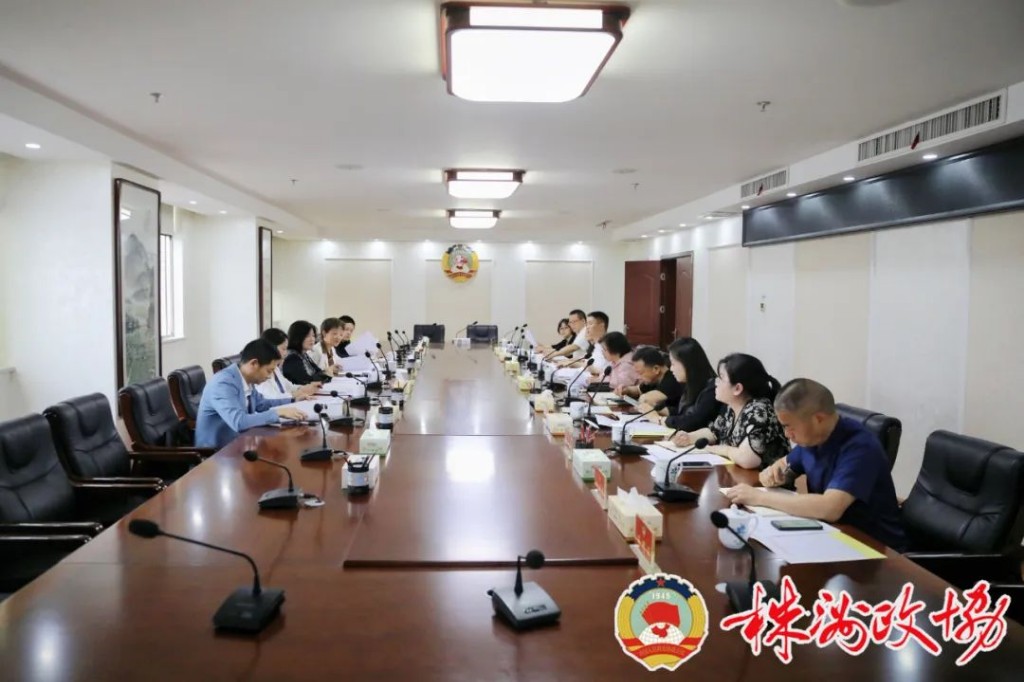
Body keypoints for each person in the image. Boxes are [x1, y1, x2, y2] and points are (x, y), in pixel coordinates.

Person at [723, 378, 907, 550]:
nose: (787, 435)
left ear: (818, 418)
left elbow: (830, 508)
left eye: (788, 426)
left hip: (874, 548)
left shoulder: (860, 447)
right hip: (832, 534)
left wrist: (759, 497)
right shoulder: (813, 438)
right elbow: (785, 464)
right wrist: (774, 473)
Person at [672, 353, 789, 469]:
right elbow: (714, 432)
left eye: (721, 378)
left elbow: (748, 459)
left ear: (737, 388)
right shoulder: (732, 407)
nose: (716, 382)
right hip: (739, 475)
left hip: (763, 479)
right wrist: (689, 437)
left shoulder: (759, 411)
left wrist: (723, 449)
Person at [195, 339, 307, 449]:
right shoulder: (223, 383)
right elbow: (239, 422)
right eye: (269, 371)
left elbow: (261, 404)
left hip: (241, 444)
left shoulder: (245, 378)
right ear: (254, 363)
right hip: (217, 453)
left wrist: (293, 400)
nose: (269, 376)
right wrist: (277, 413)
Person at [660, 337, 721, 431]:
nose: (671, 369)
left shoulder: (712, 389)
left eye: (673, 364)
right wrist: (661, 411)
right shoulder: (691, 384)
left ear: (687, 363)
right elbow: (684, 412)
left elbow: (692, 422)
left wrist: (660, 420)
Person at [257, 327, 321, 401]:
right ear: (271, 348)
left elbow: (288, 386)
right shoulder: (260, 371)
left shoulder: (275, 368)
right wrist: (295, 394)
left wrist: (304, 388)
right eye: (283, 349)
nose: (286, 353)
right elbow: (270, 398)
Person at [616, 346, 682, 409]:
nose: (638, 377)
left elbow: (646, 400)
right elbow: (638, 390)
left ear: (656, 369)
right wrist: (626, 390)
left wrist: (641, 398)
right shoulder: (653, 379)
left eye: (640, 373)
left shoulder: (673, 380)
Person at [281, 320, 333, 385]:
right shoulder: (292, 357)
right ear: (297, 337)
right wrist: (325, 374)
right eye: (307, 336)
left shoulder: (303, 354)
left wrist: (324, 374)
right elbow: (305, 381)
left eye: (313, 336)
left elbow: (319, 372)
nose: (312, 339)